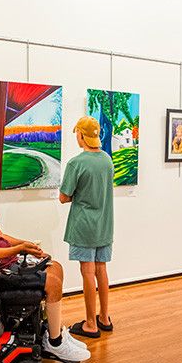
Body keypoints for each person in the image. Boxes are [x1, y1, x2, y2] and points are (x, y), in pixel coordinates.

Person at [0, 155, 90, 362]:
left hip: (5, 263)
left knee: (56, 267)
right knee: (52, 281)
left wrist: (26, 246)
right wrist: (17, 251)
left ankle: (52, 330)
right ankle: (55, 342)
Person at [59, 117, 115, 339]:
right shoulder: (107, 160)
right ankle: (104, 317)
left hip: (84, 225)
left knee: (88, 273)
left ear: (81, 135)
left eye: (77, 134)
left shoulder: (77, 163)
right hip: (104, 224)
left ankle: (90, 324)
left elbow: (64, 197)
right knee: (101, 269)